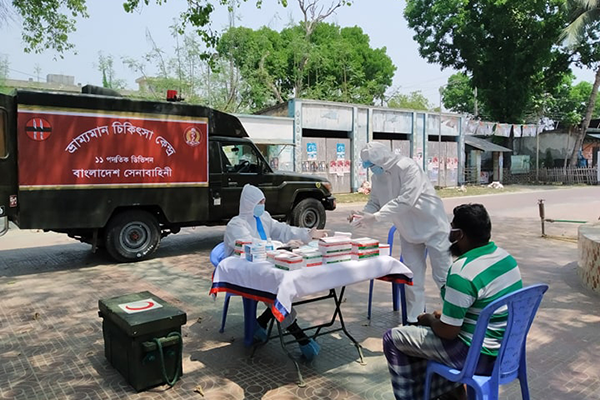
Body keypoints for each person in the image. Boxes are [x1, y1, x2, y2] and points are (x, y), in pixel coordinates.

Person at [382, 203, 523, 400]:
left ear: (460, 235)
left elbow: (448, 332)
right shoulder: (506, 259)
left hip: (475, 355)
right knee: (424, 337)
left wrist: (430, 320)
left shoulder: (462, 272)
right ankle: (453, 395)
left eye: (452, 228)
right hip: (506, 351)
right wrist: (444, 318)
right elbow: (483, 308)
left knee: (393, 338)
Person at [224, 184, 328, 360]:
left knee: (285, 284)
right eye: (259, 202)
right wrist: (283, 246)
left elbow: (283, 230)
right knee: (276, 287)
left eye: (263, 201)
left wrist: (309, 233)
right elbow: (249, 244)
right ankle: (301, 338)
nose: (262, 205)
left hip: (267, 264)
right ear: (249, 203)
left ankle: (260, 324)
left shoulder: (264, 217)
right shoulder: (236, 224)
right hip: (245, 272)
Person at [352, 142, 452, 324]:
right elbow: (375, 201)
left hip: (433, 226)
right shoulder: (377, 178)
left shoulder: (408, 168)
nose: (371, 169)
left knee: (443, 276)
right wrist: (364, 214)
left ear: (382, 160)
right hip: (408, 231)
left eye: (372, 165)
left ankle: (452, 320)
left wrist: (375, 217)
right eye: (368, 166)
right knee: (412, 276)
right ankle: (415, 319)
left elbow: (406, 200)